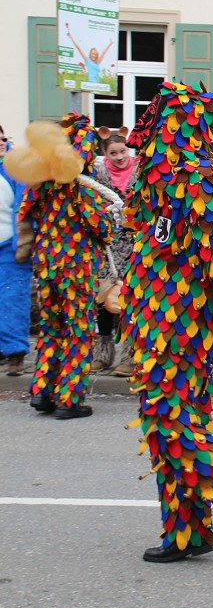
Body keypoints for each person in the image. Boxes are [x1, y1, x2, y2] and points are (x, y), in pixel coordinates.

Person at [120, 81, 213, 563]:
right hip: (157, 325)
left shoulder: (193, 178)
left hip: (179, 329)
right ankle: (187, 534)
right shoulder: (162, 181)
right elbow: (152, 233)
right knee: (173, 424)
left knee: (168, 422)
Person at [6, 115, 118, 420]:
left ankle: (43, 391)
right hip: (76, 267)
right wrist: (113, 219)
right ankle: (69, 399)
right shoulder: (81, 187)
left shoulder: (40, 183)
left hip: (47, 264)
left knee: (51, 327)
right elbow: (102, 228)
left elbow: (25, 216)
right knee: (78, 330)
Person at [90, 128, 140, 377]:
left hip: (133, 244)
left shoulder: (140, 170)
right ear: (105, 154)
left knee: (129, 298)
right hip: (107, 244)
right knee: (103, 298)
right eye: (113, 153)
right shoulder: (97, 175)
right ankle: (102, 352)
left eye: (122, 151)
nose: (119, 157)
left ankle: (130, 355)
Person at [0, 125, 32, 376]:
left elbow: (25, 207)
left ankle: (14, 353)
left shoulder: (17, 169)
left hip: (11, 248)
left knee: (12, 299)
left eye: (2, 138)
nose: (1, 142)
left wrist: (25, 243)